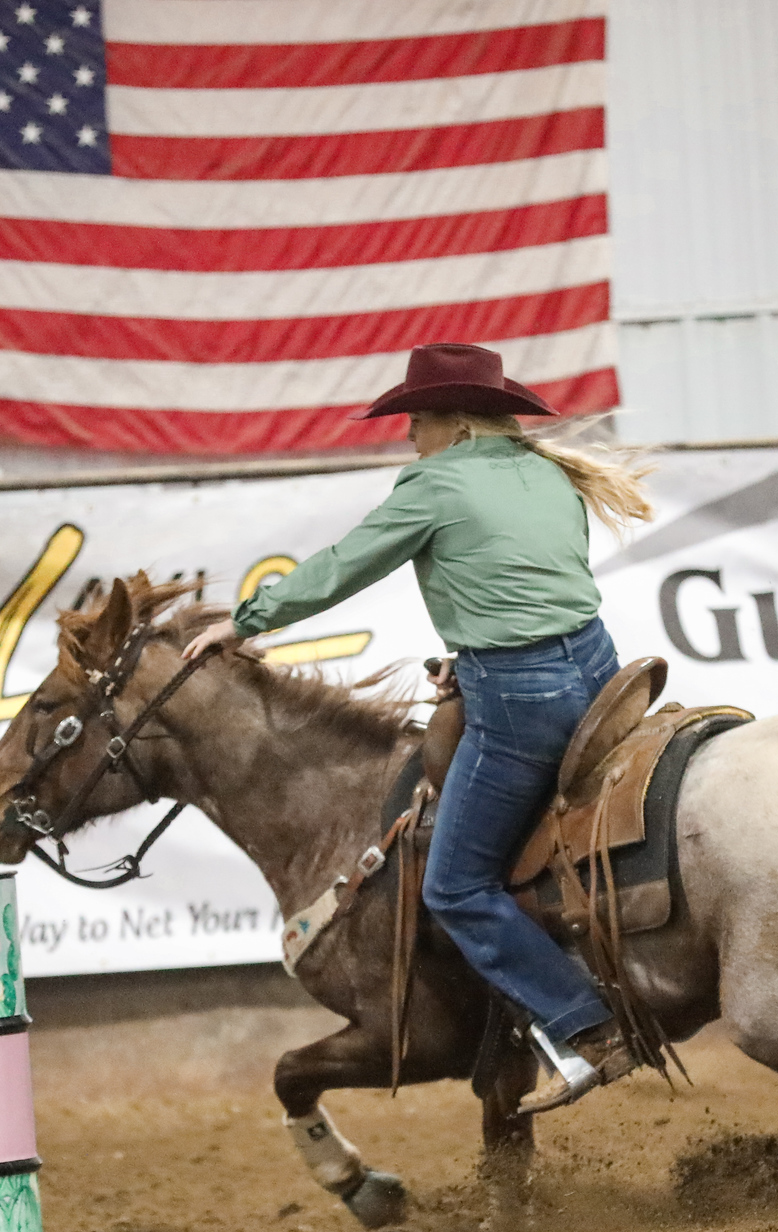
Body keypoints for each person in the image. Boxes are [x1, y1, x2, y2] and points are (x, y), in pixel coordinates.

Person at [183, 343, 652, 1114]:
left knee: (457, 884)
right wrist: (469, 660)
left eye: (418, 418)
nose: (409, 434)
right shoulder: (547, 473)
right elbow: (529, 587)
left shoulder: (433, 484)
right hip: (599, 671)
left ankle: (587, 1026)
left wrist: (243, 622)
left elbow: (344, 565)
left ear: (458, 422)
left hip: (522, 701)